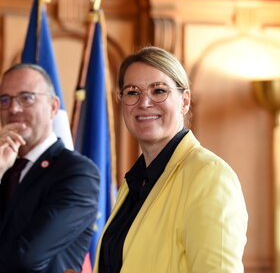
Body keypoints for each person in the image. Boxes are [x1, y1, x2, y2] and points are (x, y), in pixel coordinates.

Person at [93, 46, 248, 273]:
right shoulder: (133, 182)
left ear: (184, 101)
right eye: (132, 92)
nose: (144, 102)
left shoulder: (210, 176)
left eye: (158, 91)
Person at [0, 63, 100, 273]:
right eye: (5, 100)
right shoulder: (3, 167)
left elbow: (26, 258)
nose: (13, 109)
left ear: (54, 107)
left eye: (26, 98)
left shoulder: (77, 173)